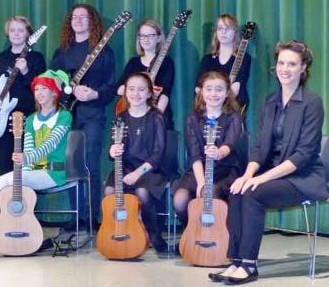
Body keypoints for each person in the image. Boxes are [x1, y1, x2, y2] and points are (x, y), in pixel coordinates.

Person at [208, 40, 329, 285]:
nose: (285, 68)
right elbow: (260, 147)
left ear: (303, 68)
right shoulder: (270, 101)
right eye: (281, 62)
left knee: (252, 193)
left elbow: (303, 155)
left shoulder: (312, 103)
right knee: (237, 188)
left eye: (292, 64)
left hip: (302, 177)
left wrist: (258, 179)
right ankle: (236, 261)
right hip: (273, 172)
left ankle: (250, 266)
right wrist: (246, 175)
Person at [50, 4, 116, 227]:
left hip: (93, 113)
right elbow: (52, 83)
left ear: (92, 22)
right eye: (74, 17)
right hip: (67, 114)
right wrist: (67, 89)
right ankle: (76, 216)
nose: (77, 20)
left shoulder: (104, 51)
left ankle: (93, 217)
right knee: (71, 164)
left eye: (83, 17)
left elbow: (111, 85)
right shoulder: (61, 52)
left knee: (90, 162)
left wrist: (94, 94)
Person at [105, 72, 168, 253]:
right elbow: (113, 150)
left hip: (150, 170)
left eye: (141, 90)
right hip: (124, 168)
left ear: (149, 93)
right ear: (125, 92)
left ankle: (154, 235)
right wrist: (112, 150)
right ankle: (118, 231)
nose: (136, 94)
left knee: (142, 191)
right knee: (109, 191)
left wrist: (137, 174)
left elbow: (158, 154)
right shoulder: (121, 117)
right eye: (131, 89)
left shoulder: (157, 117)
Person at [173, 71, 242, 228]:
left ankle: (218, 237)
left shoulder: (234, 117)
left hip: (226, 170)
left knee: (210, 193)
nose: (213, 94)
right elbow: (194, 154)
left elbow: (230, 144)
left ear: (227, 93)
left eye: (219, 89)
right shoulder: (193, 119)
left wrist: (218, 153)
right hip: (199, 171)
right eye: (209, 89)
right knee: (180, 200)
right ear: (201, 92)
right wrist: (202, 182)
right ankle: (192, 232)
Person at [0, 69, 72, 190]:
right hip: (34, 172)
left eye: (44, 88)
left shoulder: (64, 116)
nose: (39, 93)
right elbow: (28, 148)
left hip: (56, 172)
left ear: (54, 92)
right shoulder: (30, 119)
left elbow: (51, 144)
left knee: (10, 179)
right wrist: (24, 171)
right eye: (36, 89)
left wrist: (26, 158)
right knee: (5, 180)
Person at [0, 16, 46, 175]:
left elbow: (42, 89)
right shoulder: (1, 58)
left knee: (25, 166)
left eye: (21, 30)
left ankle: (27, 199)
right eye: (12, 30)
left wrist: (26, 71)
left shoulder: (36, 58)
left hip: (27, 117)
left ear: (28, 34)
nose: (16, 34)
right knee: (4, 165)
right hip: (3, 120)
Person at [116, 19, 175, 129]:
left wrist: (155, 117)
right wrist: (137, 89)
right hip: (132, 116)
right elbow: (119, 89)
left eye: (150, 35)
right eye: (142, 36)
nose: (146, 39)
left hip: (158, 116)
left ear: (158, 38)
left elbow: (165, 94)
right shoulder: (133, 62)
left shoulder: (167, 62)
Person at [198, 14, 251, 110]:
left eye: (228, 28)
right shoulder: (207, 59)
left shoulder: (243, 58)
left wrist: (219, 108)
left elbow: (236, 88)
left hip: (232, 109)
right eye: (220, 28)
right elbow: (199, 87)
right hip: (208, 109)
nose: (223, 32)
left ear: (235, 32)